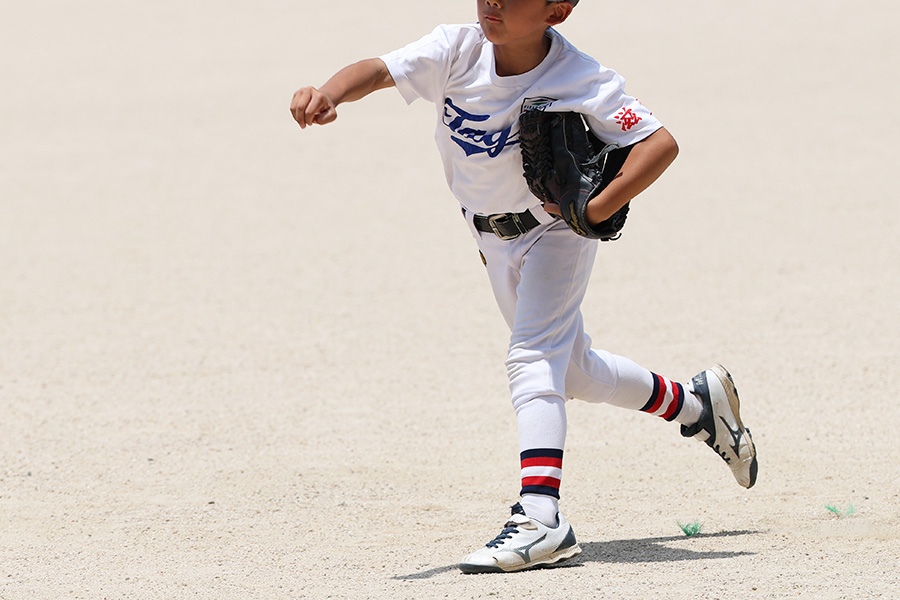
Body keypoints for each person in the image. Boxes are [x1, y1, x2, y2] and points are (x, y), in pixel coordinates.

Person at [290, 0, 757, 574]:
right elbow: (380, 70)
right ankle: (695, 406)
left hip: (555, 234)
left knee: (533, 356)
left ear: (556, 10)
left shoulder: (579, 76)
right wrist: (330, 94)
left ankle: (541, 518)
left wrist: (595, 208)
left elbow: (659, 143)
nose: (493, 3)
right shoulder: (457, 48)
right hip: (492, 241)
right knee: (573, 371)